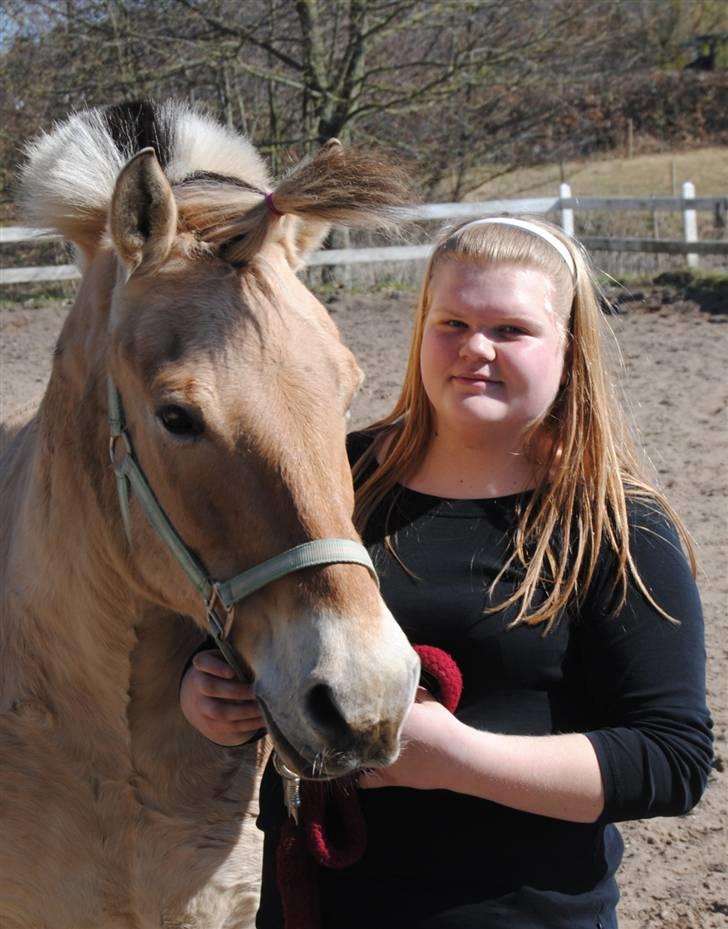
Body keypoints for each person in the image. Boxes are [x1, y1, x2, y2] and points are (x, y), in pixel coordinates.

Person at [179, 216, 713, 929]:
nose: (476, 349)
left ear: (570, 345)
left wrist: (457, 758)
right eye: (452, 322)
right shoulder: (335, 479)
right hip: (314, 907)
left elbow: (670, 758)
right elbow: (244, 610)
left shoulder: (617, 527)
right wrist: (206, 687)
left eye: (512, 329)